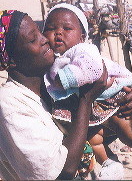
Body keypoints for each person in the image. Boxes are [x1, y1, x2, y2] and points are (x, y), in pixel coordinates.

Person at [43, 3, 132, 180]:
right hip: (84, 110)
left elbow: (91, 69)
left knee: (124, 127)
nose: (58, 33)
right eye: (50, 29)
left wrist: (63, 79)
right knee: (93, 138)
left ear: (82, 37)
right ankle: (108, 162)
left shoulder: (83, 50)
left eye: (67, 28)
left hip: (108, 98)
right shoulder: (50, 60)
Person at [0, 10, 112, 180]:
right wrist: (86, 99)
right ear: (13, 60)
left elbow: (90, 132)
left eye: (39, 31)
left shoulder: (52, 83)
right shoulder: (10, 104)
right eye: (33, 39)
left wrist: (127, 98)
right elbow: (62, 172)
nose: (45, 39)